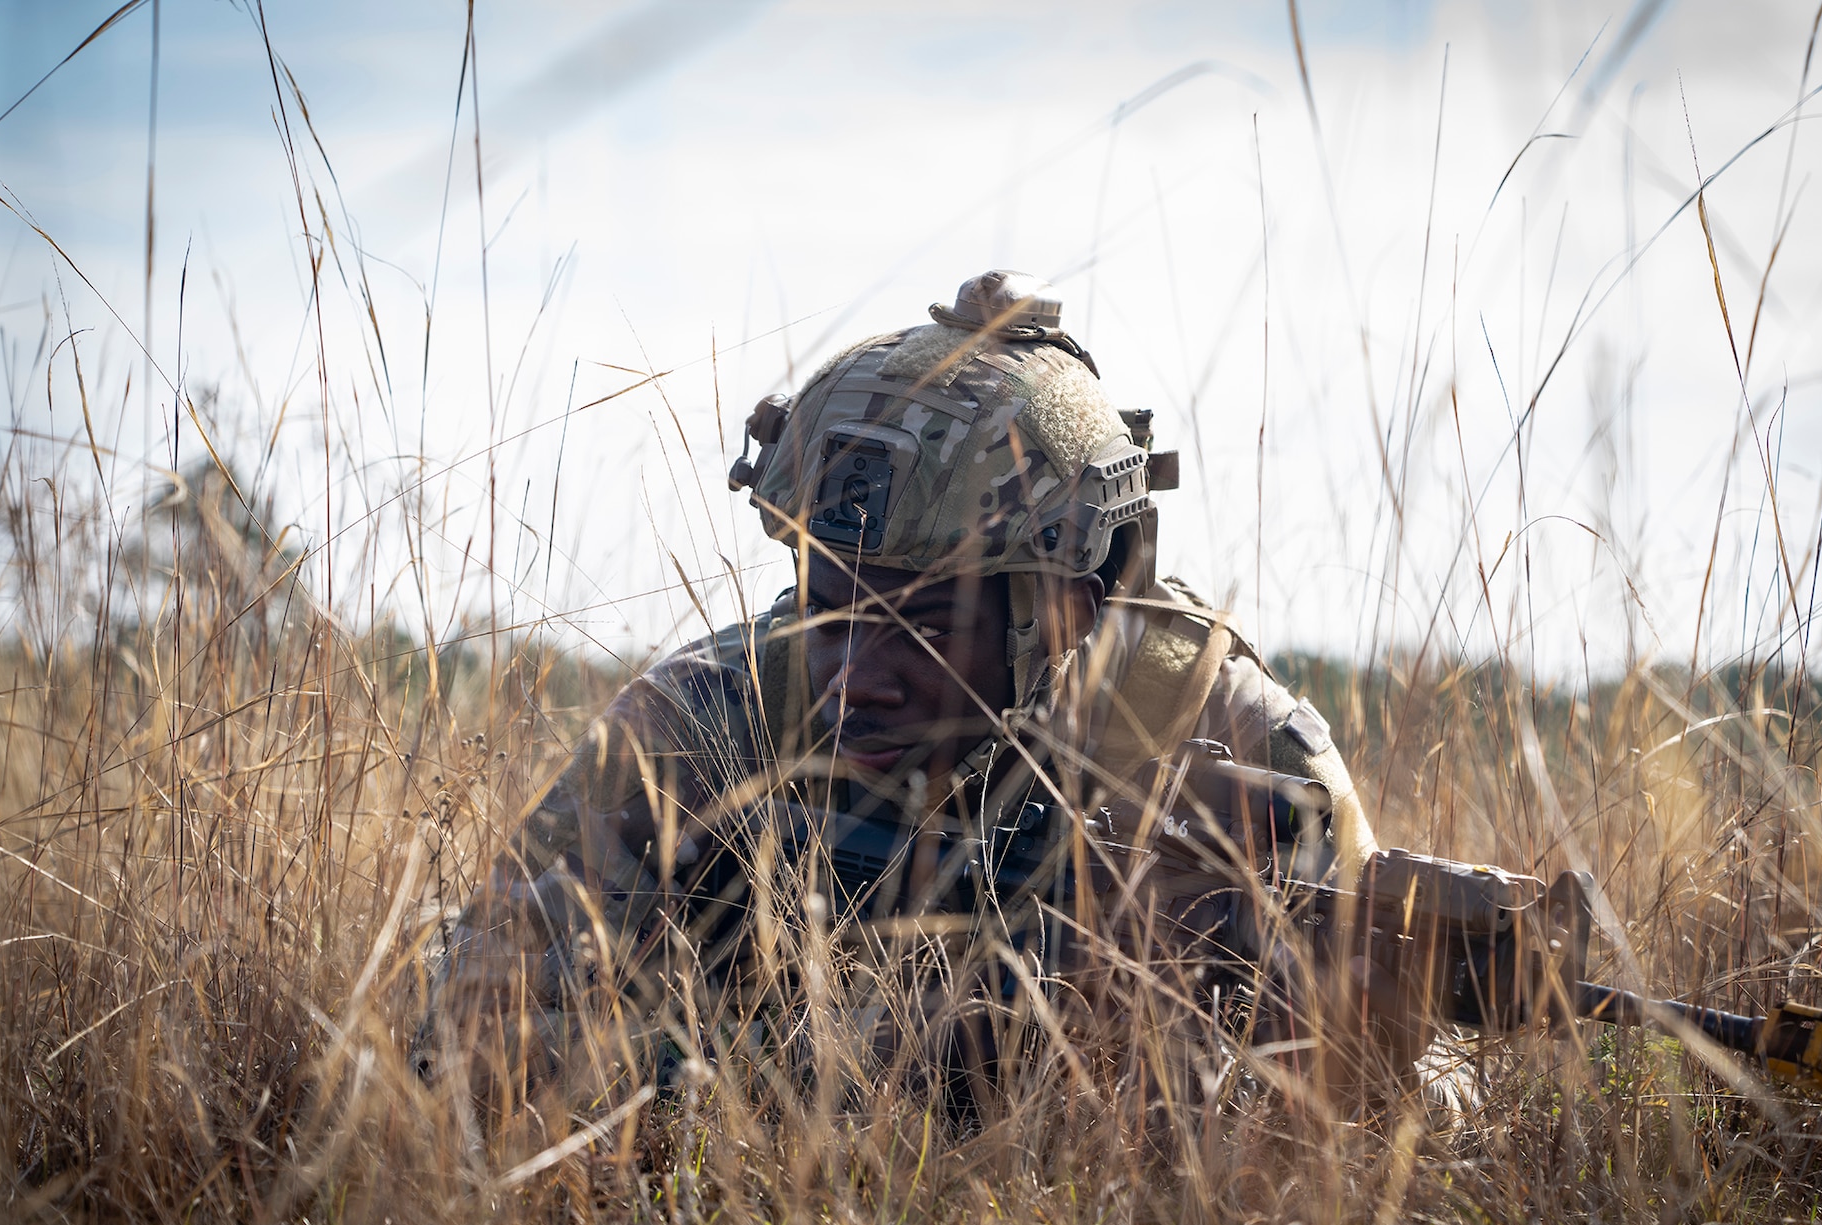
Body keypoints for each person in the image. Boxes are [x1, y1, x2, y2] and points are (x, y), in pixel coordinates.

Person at [426, 271, 1415, 1112]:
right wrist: (896, 1073)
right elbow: (472, 1039)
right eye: (824, 610)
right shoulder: (703, 724)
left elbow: (1411, 1103)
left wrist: (1232, 1056)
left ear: (1059, 610)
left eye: (921, 629)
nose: (856, 677)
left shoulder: (1217, 735)